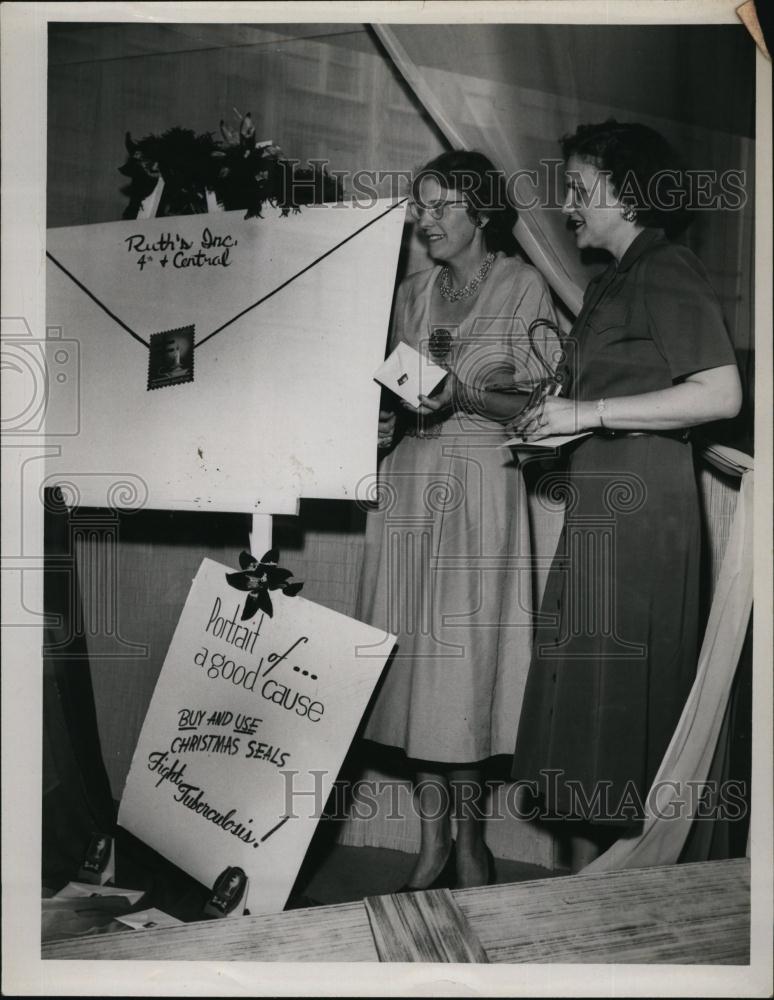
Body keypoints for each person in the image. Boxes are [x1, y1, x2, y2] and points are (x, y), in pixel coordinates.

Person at [510, 121, 742, 872]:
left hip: (644, 513)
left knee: (616, 703)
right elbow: (596, 394)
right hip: (602, 503)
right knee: (583, 700)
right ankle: (586, 891)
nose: (567, 203)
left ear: (629, 193)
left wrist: (588, 414)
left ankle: (615, 897)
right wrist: (553, 423)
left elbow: (719, 393)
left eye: (580, 188)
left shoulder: (666, 267)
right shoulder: (613, 279)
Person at [356, 150, 560, 890]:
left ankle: (469, 844)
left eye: (440, 206)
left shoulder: (522, 284)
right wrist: (382, 421)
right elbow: (396, 391)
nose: (425, 219)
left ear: (481, 211)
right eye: (420, 205)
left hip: (479, 488)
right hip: (410, 484)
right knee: (416, 671)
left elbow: (541, 405)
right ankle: (431, 841)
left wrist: (466, 399)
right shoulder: (411, 293)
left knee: (463, 674)